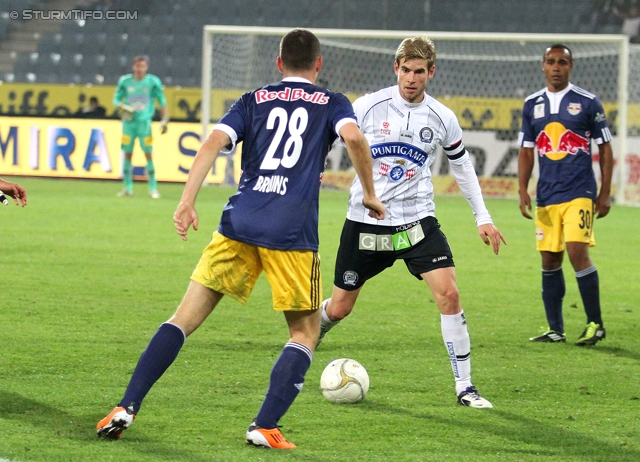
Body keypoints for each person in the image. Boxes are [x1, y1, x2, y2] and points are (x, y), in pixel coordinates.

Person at [96, 29, 385, 449]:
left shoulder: (253, 99)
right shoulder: (333, 102)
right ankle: (264, 425)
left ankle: (126, 406)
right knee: (304, 334)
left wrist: (187, 201)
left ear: (279, 62)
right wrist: (370, 194)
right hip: (291, 233)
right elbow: (355, 138)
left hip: (239, 224)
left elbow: (213, 141)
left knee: (182, 320)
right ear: (318, 64)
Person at [317, 36, 506, 409]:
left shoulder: (441, 117)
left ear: (430, 73)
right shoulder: (369, 106)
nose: (411, 78)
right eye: (406, 70)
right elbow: (329, 140)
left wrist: (482, 216)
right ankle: (311, 334)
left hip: (417, 224)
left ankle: (465, 387)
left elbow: (462, 165)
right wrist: (316, 169)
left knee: (449, 294)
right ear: (396, 69)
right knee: (340, 308)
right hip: (366, 222)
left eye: (419, 71)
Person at [518, 44, 613, 346]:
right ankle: (555, 329)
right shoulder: (531, 104)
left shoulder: (587, 102)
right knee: (549, 259)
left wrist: (605, 192)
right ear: (542, 66)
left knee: (576, 251)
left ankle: (595, 323)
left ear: (571, 66)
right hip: (547, 194)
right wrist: (522, 189)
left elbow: (605, 148)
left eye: (562, 62)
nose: (556, 67)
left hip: (580, 191)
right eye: (551, 62)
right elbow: (526, 150)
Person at [113, 55, 169, 199]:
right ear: (133, 67)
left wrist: (165, 119)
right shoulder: (125, 82)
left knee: (148, 154)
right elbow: (116, 100)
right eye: (137, 66)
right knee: (127, 154)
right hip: (129, 124)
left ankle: (152, 188)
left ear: (146, 67)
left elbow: (162, 101)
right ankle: (127, 187)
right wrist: (122, 106)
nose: (139, 69)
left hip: (145, 124)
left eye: (142, 66)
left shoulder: (152, 82)